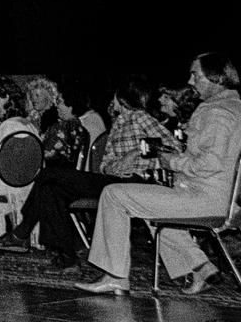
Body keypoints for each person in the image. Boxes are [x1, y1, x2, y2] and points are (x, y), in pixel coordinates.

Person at [76, 52, 241, 295]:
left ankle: (115, 276)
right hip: (222, 198)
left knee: (113, 194)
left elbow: (209, 163)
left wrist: (169, 160)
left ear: (215, 77)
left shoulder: (216, 113)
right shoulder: (234, 107)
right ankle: (201, 267)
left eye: (196, 74)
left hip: (205, 199)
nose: (191, 81)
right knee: (147, 203)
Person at [0, 74, 179, 271]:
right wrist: (114, 165)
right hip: (115, 180)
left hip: (137, 180)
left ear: (122, 99)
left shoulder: (139, 116)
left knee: (47, 175)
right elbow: (104, 163)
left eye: (114, 97)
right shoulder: (118, 123)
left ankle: (21, 233)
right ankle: (66, 256)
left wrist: (136, 151)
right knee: (51, 190)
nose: (111, 102)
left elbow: (173, 145)